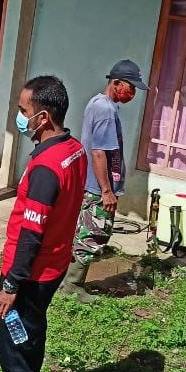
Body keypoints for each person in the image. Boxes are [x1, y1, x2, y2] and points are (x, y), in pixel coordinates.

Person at [0, 76, 87, 372]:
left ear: (43, 117)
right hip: (54, 264)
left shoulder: (46, 168)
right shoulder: (74, 150)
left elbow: (31, 234)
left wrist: (11, 284)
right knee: (30, 334)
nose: (19, 117)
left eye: (24, 111)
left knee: (16, 343)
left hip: (31, 273)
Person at [63, 59, 146, 301]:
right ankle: (72, 286)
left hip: (94, 185)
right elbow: (98, 152)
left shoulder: (99, 103)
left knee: (85, 231)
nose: (133, 93)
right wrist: (107, 191)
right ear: (116, 83)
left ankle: (66, 281)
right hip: (98, 188)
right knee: (94, 234)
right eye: (131, 87)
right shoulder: (106, 110)